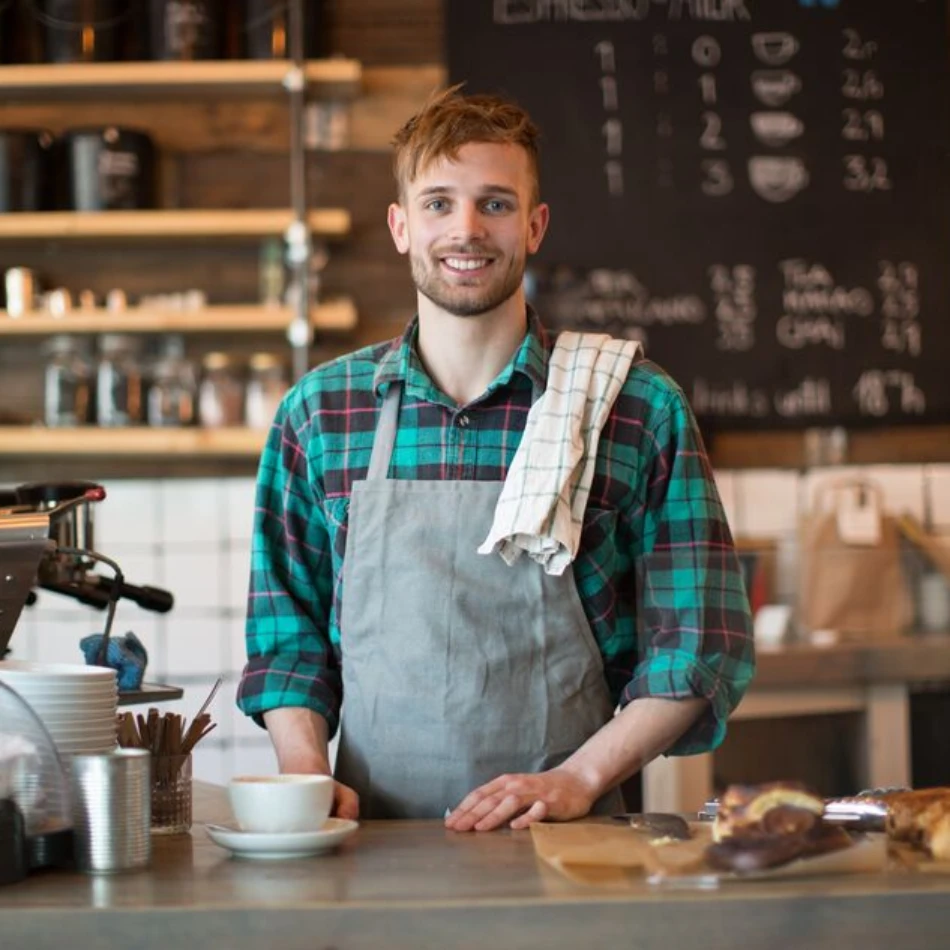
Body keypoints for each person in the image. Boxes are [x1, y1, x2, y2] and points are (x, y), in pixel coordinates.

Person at [237, 85, 755, 832]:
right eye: (439, 203)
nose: (467, 230)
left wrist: (578, 779)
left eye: (496, 204)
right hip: (366, 847)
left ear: (535, 226)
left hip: (569, 841)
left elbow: (699, 644)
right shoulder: (320, 414)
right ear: (401, 226)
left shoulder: (633, 408)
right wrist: (307, 777)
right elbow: (286, 639)